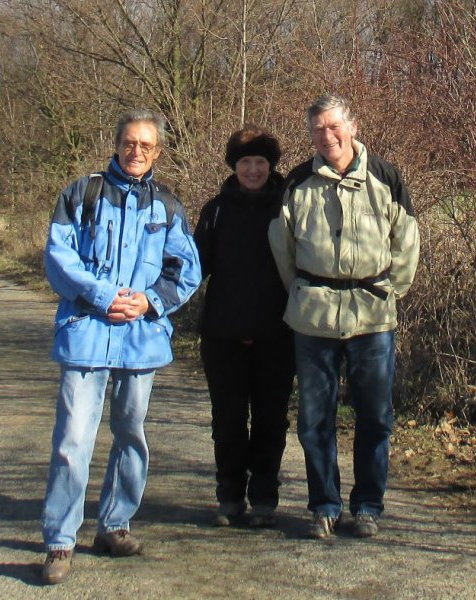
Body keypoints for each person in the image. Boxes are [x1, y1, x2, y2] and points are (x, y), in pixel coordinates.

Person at [40, 109, 202, 584]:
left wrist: (149, 303)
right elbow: (58, 256)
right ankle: (59, 541)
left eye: (146, 145)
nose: (137, 152)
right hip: (86, 333)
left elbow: (186, 270)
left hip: (141, 339)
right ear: (116, 144)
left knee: (130, 436)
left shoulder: (168, 206)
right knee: (73, 441)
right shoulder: (81, 193)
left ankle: (114, 524)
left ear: (158, 152)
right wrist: (103, 295)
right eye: (130, 143)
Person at [268, 94, 419, 539]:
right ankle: (324, 505)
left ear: (352, 126)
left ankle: (368, 506)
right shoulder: (297, 182)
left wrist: (392, 290)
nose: (327, 136)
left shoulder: (386, 177)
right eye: (318, 129)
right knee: (315, 418)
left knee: (375, 415)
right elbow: (284, 248)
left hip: (373, 317)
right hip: (313, 318)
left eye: (334, 126)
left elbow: (406, 240)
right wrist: (302, 291)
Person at [193, 126, 295, 528]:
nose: (253, 170)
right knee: (228, 419)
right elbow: (194, 268)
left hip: (278, 333)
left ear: (271, 166)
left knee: (272, 418)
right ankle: (230, 495)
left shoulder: (289, 207)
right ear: (234, 167)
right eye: (245, 162)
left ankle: (265, 497)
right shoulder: (215, 211)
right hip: (223, 334)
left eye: (260, 162)